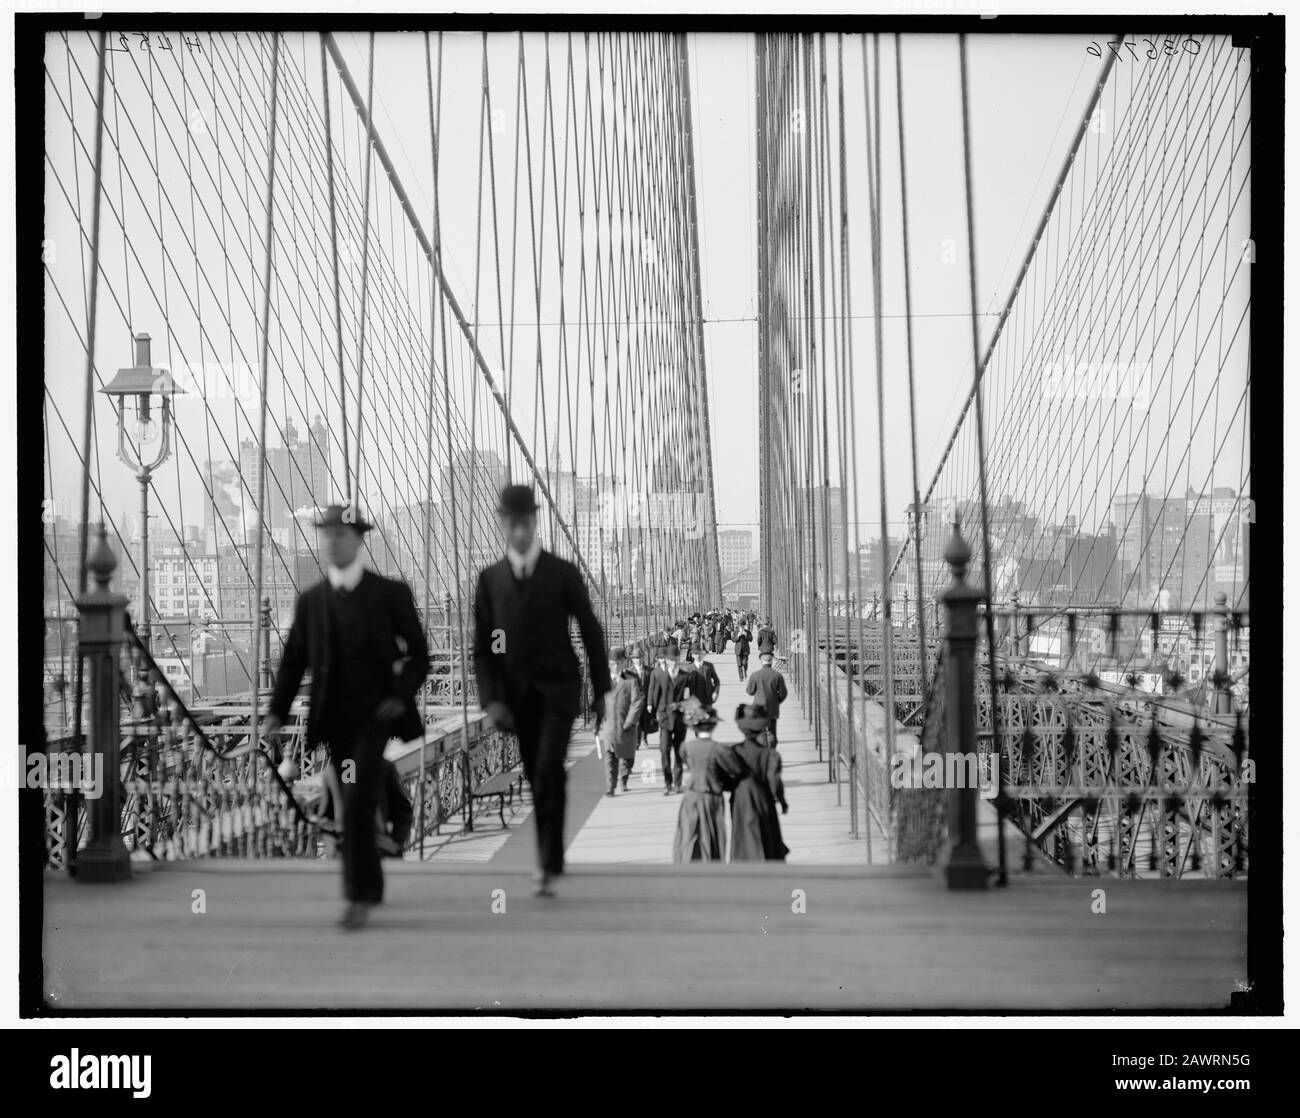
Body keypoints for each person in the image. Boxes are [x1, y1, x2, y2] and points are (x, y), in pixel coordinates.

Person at [263, 503, 430, 930]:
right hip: (335, 726)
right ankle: (370, 884)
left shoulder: (390, 594)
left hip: (375, 722)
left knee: (354, 799)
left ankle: (357, 895)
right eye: (326, 534)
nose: (331, 541)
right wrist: (276, 713)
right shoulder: (311, 602)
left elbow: (419, 657)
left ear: (358, 540)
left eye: (339, 533)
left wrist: (398, 695)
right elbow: (293, 662)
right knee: (355, 800)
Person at [473, 484, 610, 897]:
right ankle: (553, 858)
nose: (518, 530)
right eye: (511, 523)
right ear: (503, 525)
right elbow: (488, 643)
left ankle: (547, 862)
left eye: (525, 522)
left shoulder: (562, 573)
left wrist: (601, 690)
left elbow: (590, 630)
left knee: (550, 766)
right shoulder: (490, 580)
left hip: (558, 691)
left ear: (535, 522)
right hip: (516, 699)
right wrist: (491, 697)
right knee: (537, 775)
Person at [672, 696, 741, 862]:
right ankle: (710, 862)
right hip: (711, 796)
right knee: (711, 833)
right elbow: (734, 770)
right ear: (713, 726)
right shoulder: (719, 749)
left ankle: (687, 861)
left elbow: (686, 761)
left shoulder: (686, 747)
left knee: (688, 833)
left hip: (691, 795)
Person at [728, 703, 789, 861]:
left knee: (742, 835)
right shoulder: (770, 755)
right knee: (767, 833)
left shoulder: (734, 752)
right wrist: (781, 800)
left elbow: (727, 779)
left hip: (740, 802)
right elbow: (774, 781)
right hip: (763, 800)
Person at [645, 638, 695, 795]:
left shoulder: (685, 676)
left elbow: (689, 698)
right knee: (664, 750)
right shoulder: (660, 675)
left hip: (680, 719)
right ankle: (668, 783)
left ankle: (678, 782)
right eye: (670, 660)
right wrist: (655, 713)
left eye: (675, 660)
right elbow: (655, 695)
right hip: (665, 719)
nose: (672, 663)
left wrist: (682, 707)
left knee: (679, 752)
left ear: (678, 660)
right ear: (666, 661)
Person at [600, 646, 643, 795]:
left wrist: (630, 721)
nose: (616, 666)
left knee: (627, 757)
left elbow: (637, 701)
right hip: (610, 726)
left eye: (619, 663)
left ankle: (623, 780)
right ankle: (610, 787)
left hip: (626, 725)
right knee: (610, 757)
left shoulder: (631, 679)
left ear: (624, 662)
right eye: (613, 663)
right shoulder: (603, 680)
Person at [747, 634, 788, 748]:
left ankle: (762, 747)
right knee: (772, 729)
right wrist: (777, 700)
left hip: (759, 707)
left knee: (760, 729)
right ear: (771, 661)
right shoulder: (777, 675)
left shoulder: (755, 675)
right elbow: (784, 693)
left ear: (761, 661)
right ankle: (772, 748)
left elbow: (750, 691)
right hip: (773, 707)